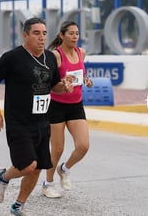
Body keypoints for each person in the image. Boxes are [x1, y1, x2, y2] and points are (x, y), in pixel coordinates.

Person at [0, 17, 74, 215]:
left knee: (37, 169)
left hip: (43, 122)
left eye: (44, 33)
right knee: (28, 165)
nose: (42, 38)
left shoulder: (50, 58)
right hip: (19, 122)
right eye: (36, 33)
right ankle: (3, 177)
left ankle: (18, 205)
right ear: (25, 35)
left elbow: (55, 86)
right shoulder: (12, 57)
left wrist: (65, 87)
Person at [40, 21, 93, 198]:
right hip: (56, 106)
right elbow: (49, 82)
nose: (75, 36)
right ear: (62, 35)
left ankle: (64, 169)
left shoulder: (81, 53)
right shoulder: (56, 55)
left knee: (83, 146)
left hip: (76, 105)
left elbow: (80, 74)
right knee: (57, 148)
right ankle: (47, 184)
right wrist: (63, 85)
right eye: (71, 33)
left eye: (77, 33)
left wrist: (86, 80)